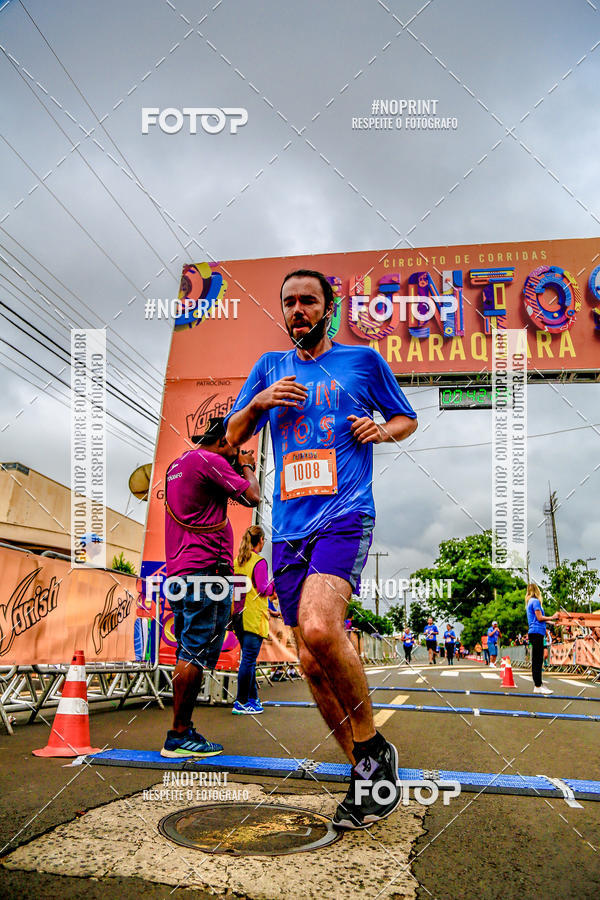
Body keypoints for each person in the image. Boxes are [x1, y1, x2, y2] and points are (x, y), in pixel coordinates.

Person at [225, 268, 418, 830]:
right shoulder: (269, 368)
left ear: (328, 309)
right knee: (310, 661)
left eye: (308, 301)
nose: (297, 310)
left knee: (317, 627)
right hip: (287, 530)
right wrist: (259, 401)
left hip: (344, 516)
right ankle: (364, 769)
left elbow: (406, 418)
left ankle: (375, 749)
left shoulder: (363, 362)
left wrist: (379, 431)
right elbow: (233, 435)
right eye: (289, 303)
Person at [160, 417, 260, 757]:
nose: (238, 452)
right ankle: (179, 734)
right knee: (193, 653)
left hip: (179, 573)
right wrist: (246, 467)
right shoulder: (211, 461)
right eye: (235, 445)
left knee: (186, 650)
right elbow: (254, 497)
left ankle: (181, 730)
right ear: (223, 441)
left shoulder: (178, 464)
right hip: (205, 573)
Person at [232, 525, 275, 715]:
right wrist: (277, 581)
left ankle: (252, 699)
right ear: (259, 540)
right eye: (264, 539)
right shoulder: (259, 562)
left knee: (248, 660)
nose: (264, 542)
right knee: (248, 661)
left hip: (238, 616)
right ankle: (241, 702)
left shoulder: (237, 561)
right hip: (253, 616)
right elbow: (264, 590)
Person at [526, 583, 559, 694]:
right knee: (537, 659)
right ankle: (537, 685)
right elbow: (540, 618)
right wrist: (552, 617)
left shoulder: (530, 602)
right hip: (536, 632)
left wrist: (552, 623)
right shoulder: (535, 601)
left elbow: (539, 618)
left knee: (538, 659)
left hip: (536, 632)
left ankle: (539, 683)